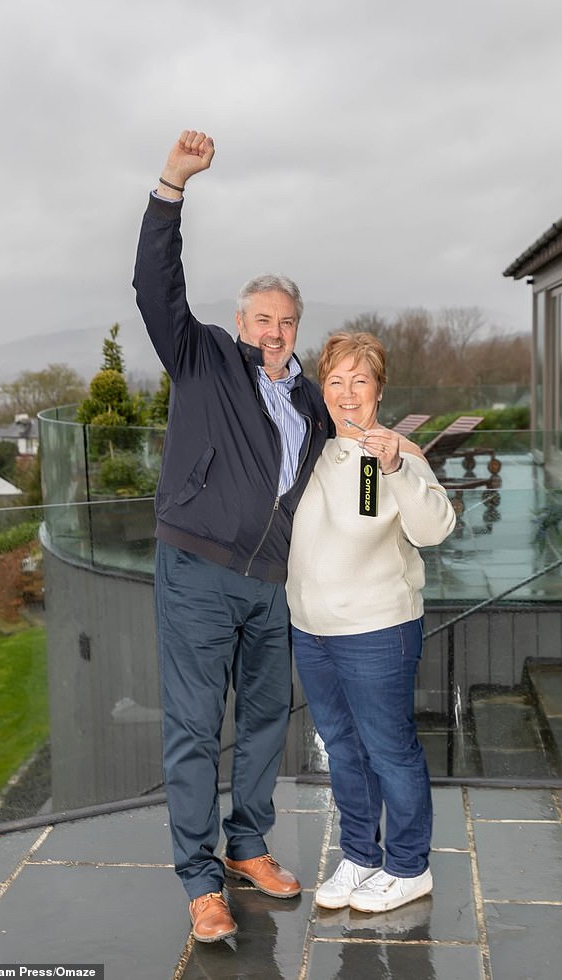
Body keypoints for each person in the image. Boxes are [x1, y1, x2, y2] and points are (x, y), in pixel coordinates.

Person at [133, 130, 329, 943]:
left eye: (286, 321)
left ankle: (247, 846)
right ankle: (199, 881)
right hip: (199, 569)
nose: (274, 330)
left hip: (271, 583)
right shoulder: (204, 356)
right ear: (240, 321)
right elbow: (155, 287)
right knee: (191, 726)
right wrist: (172, 186)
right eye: (262, 317)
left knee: (260, 721)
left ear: (297, 328)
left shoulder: (314, 402)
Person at [286, 331, 456, 914]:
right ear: (321, 389)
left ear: (379, 388)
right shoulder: (311, 450)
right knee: (343, 748)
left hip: (377, 630)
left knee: (389, 750)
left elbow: (434, 530)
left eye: (360, 379)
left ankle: (409, 867)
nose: (347, 392)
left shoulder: (398, 454)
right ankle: (360, 854)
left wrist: (397, 467)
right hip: (310, 630)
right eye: (335, 380)